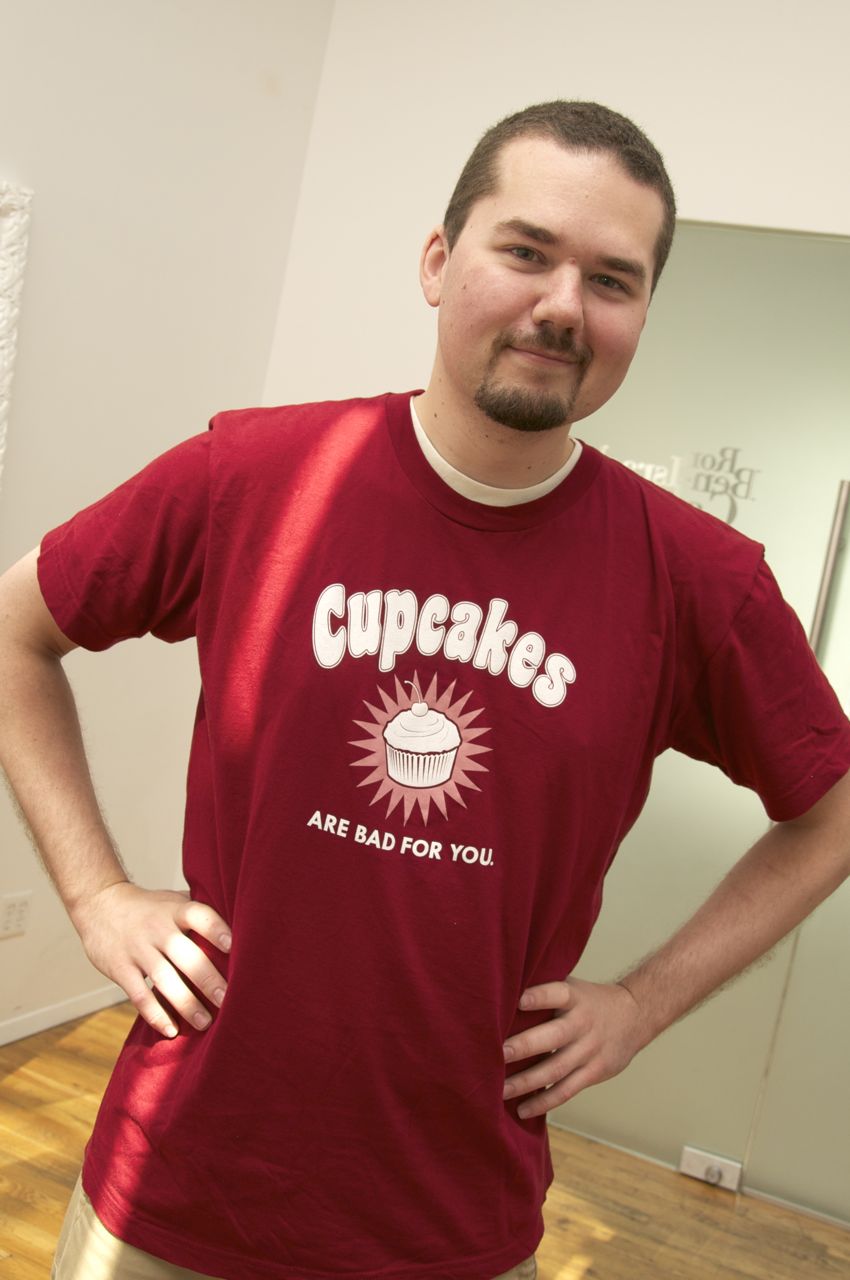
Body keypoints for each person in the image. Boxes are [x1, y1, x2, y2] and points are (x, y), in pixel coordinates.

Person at [1, 100, 849, 1280]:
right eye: (526, 250)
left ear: (642, 315)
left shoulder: (698, 580)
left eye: (612, 278)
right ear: (439, 261)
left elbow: (830, 808)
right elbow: (15, 634)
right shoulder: (252, 475)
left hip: (453, 1220)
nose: (563, 304)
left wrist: (643, 1002)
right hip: (179, 1184)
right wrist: (95, 894)